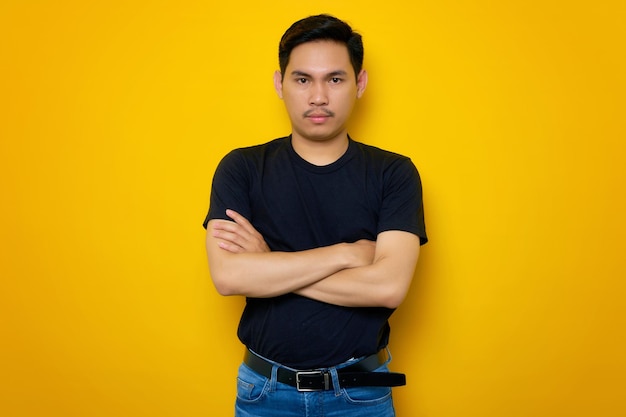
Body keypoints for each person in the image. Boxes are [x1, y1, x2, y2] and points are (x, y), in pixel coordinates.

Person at [203, 14, 427, 417]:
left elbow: (387, 287)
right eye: (303, 79)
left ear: (360, 84)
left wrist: (268, 265)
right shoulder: (241, 168)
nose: (318, 96)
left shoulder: (393, 173)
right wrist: (346, 253)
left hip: (361, 395)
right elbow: (229, 277)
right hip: (264, 393)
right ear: (279, 84)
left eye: (335, 79)